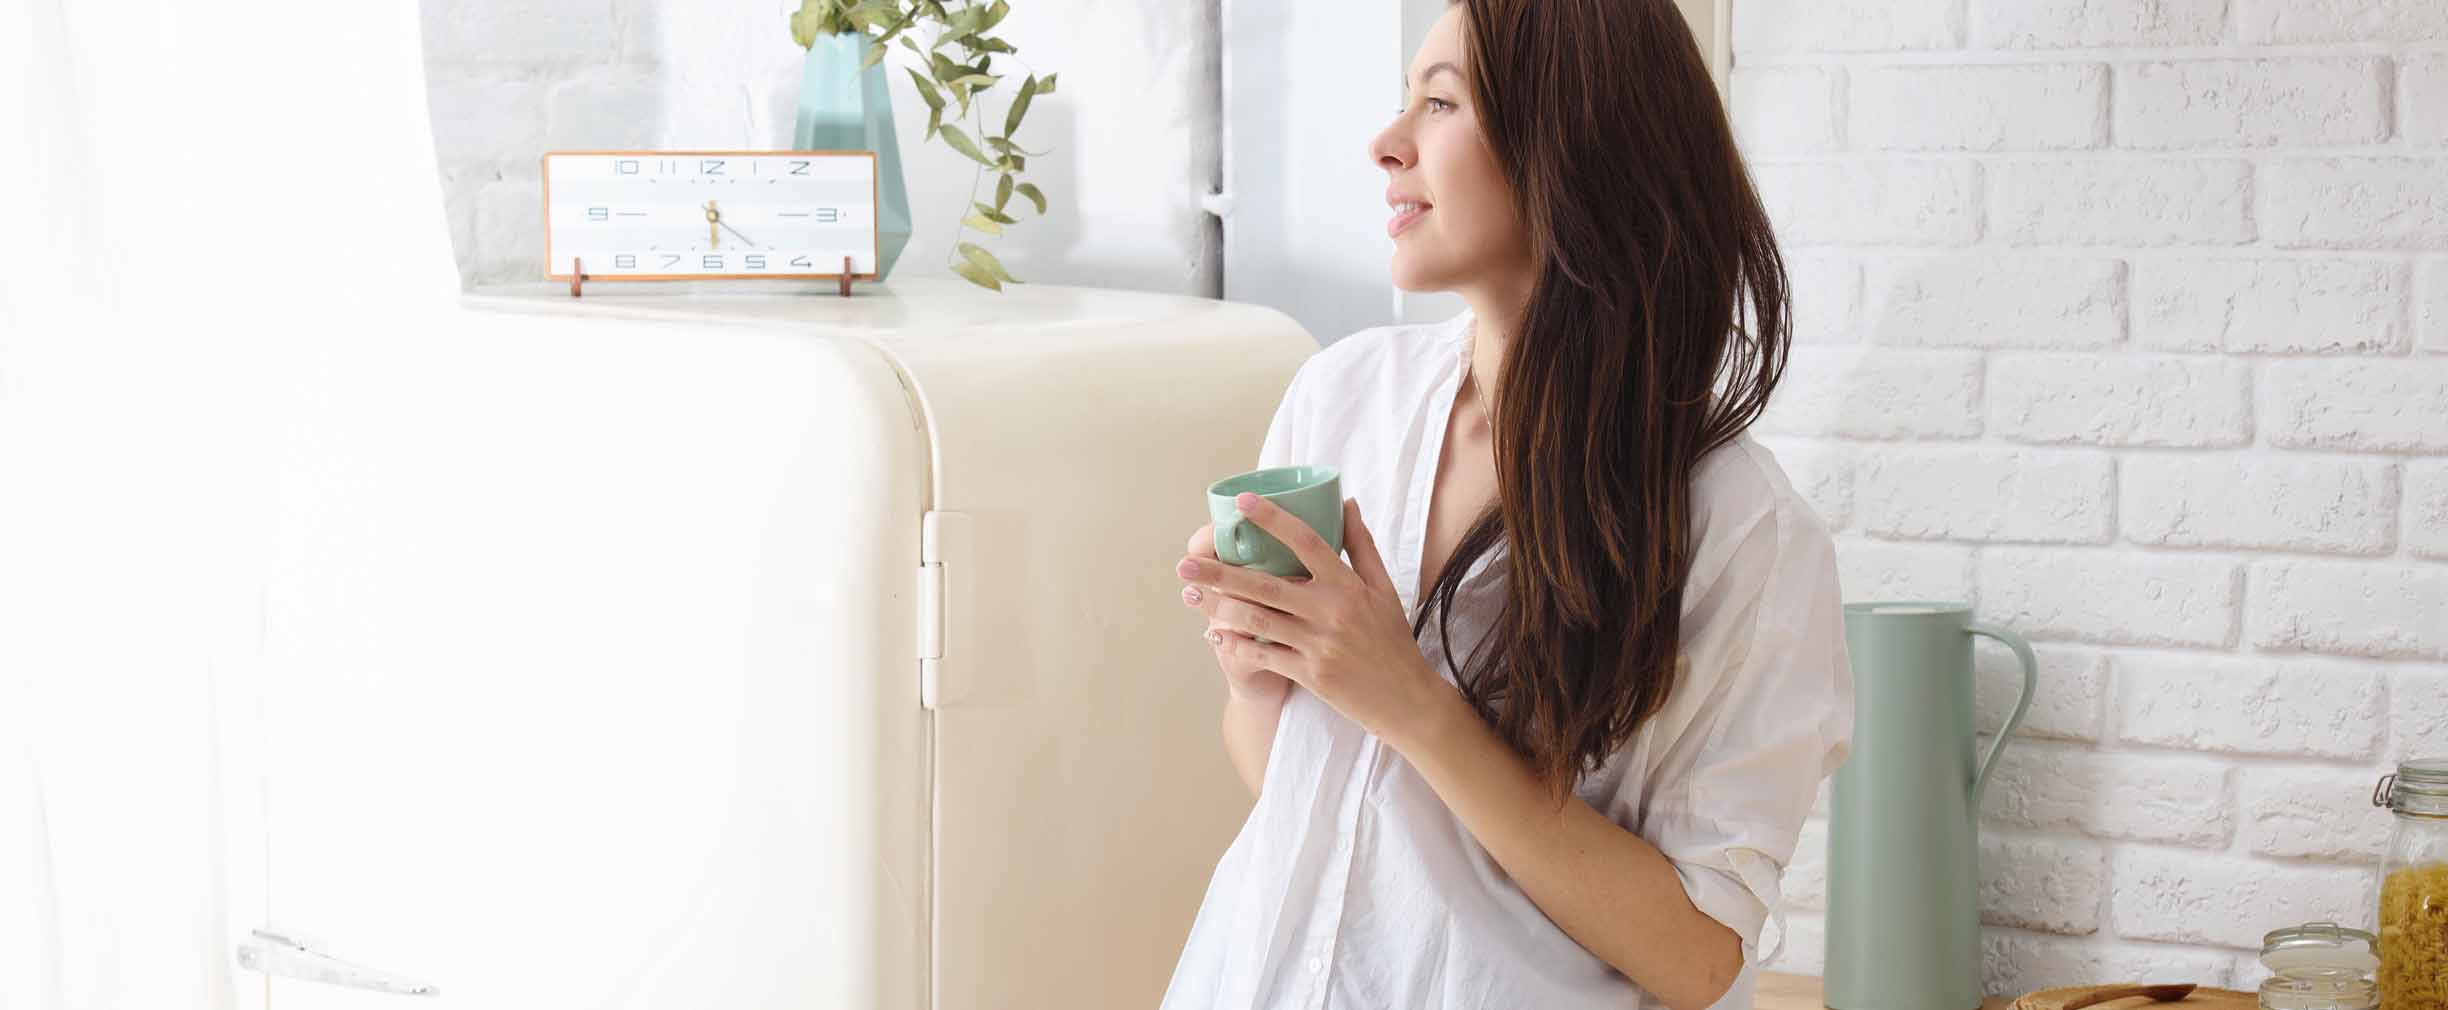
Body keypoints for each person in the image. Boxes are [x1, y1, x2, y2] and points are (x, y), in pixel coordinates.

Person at [1160, 2, 1854, 1009]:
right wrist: (1265, 684)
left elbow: (1701, 955)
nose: (1386, 144)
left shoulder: (1743, 531)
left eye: (1439, 103)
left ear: (1578, 148)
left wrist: (1407, 697)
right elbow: (1324, 807)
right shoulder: (1342, 396)